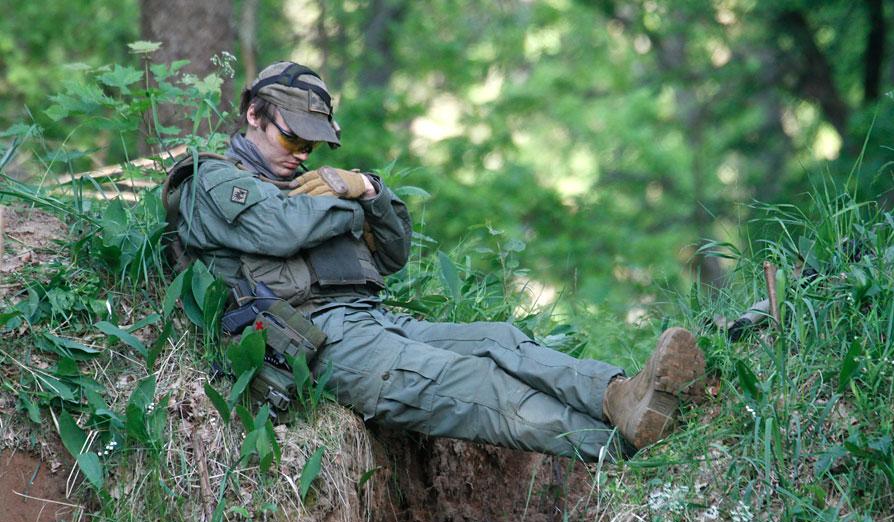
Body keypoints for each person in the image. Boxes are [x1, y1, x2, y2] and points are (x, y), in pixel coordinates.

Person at [166, 61, 706, 461]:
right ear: (253, 114)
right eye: (291, 135)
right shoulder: (208, 180)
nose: (302, 154)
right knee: (478, 387)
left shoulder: (320, 185)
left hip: (372, 321)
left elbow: (395, 254)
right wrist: (346, 203)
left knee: (501, 340)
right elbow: (279, 230)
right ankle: (631, 456)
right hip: (315, 340)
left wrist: (369, 189)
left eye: (313, 145)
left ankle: (621, 397)